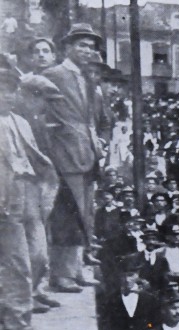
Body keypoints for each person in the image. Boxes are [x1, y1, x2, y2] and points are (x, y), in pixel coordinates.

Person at [42, 23, 106, 292]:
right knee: (67, 215)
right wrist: (54, 136)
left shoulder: (85, 77)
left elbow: (92, 117)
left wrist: (96, 144)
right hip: (65, 154)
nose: (87, 51)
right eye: (81, 45)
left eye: (91, 47)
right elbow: (39, 110)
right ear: (68, 47)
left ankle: (77, 269)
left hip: (88, 153)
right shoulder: (53, 74)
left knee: (85, 215)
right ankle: (61, 275)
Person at [0, 65, 58, 330]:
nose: (7, 96)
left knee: (38, 255)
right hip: (5, 196)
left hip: (30, 192)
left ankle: (12, 306)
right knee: (17, 260)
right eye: (1, 90)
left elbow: (36, 158)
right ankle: (18, 322)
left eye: (11, 90)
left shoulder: (21, 122)